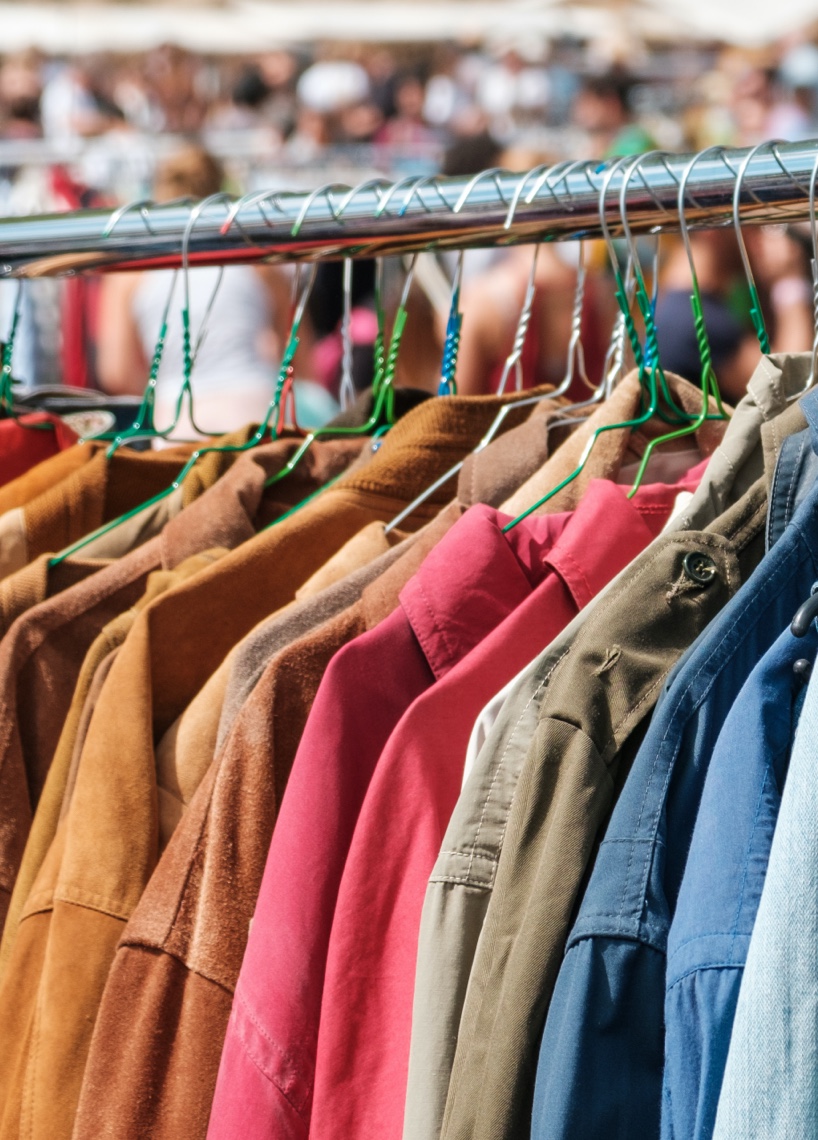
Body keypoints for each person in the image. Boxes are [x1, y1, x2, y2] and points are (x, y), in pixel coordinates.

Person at [97, 144, 338, 438]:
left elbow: (116, 371)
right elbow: (298, 355)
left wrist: (162, 391)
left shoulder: (130, 274)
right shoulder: (256, 261)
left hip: (179, 418)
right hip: (256, 409)